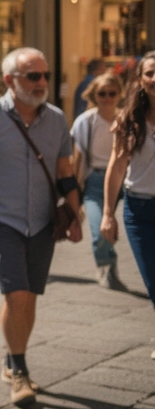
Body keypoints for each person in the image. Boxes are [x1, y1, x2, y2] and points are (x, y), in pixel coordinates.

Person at [0, 46, 84, 407]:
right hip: (3, 219)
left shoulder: (56, 119)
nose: (42, 82)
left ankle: (12, 356)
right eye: (33, 76)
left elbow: (65, 171)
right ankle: (19, 369)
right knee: (15, 296)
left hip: (43, 222)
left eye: (45, 75)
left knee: (29, 298)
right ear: (9, 80)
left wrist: (75, 216)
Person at [105, 52, 155, 329]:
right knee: (152, 279)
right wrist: (107, 214)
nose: (154, 78)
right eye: (149, 73)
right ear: (140, 79)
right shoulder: (129, 119)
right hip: (139, 211)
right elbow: (116, 168)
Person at [73, 72, 126, 289]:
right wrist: (75, 196)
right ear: (94, 95)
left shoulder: (127, 119)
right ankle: (106, 265)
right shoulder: (85, 122)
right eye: (102, 94)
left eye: (112, 93)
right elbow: (77, 159)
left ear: (119, 94)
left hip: (125, 180)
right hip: (95, 181)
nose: (107, 98)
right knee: (99, 230)